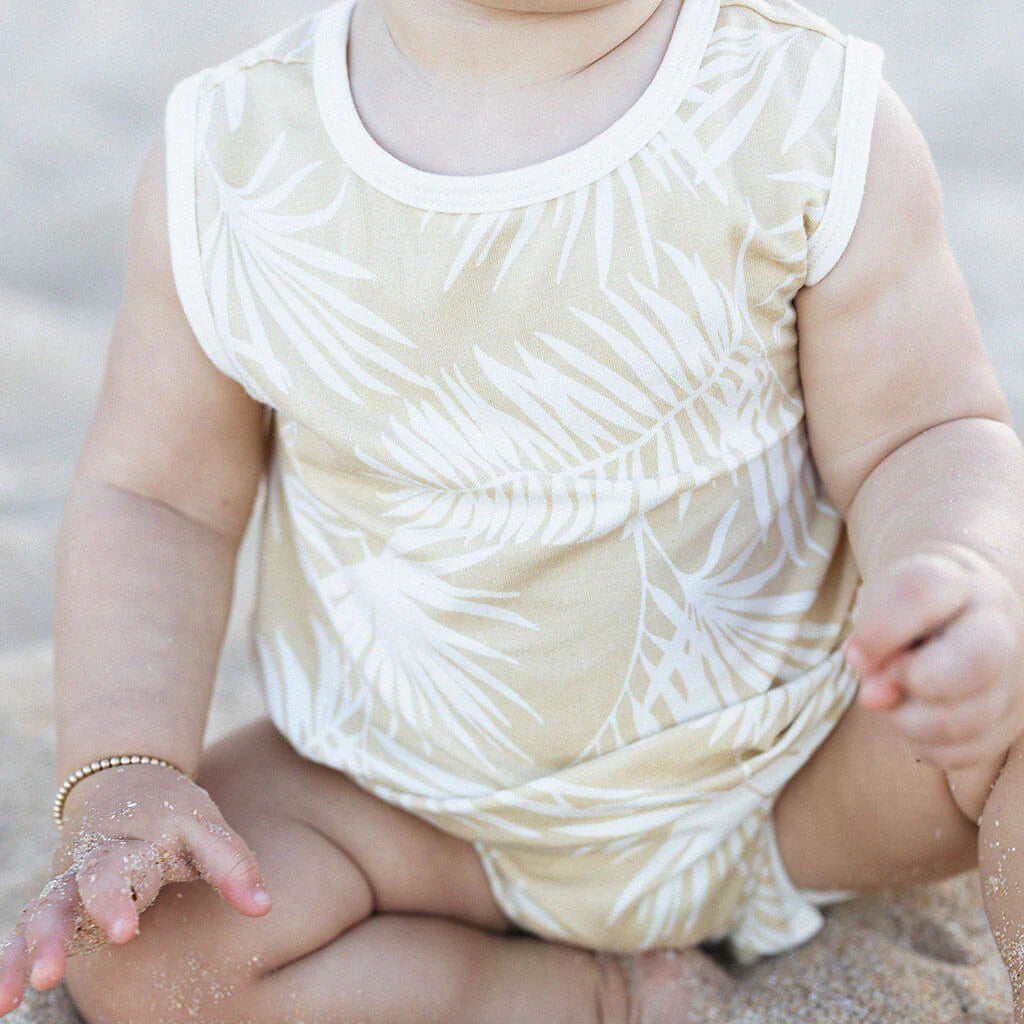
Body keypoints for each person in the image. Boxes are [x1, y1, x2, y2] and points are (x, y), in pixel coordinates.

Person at [1, 0, 1022, 1020]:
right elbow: (159, 499)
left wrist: (957, 575)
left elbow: (920, 433)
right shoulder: (232, 153)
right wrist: (126, 770)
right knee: (143, 960)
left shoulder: (805, 110)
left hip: (808, 768)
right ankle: (574, 995)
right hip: (413, 810)